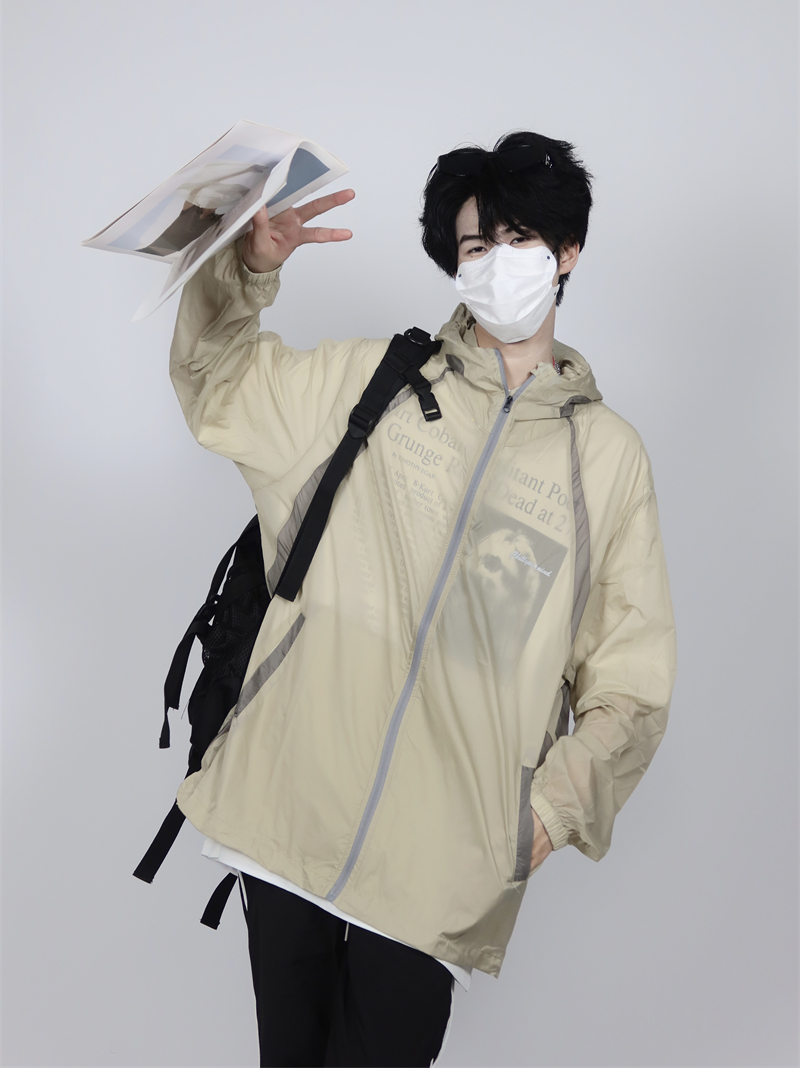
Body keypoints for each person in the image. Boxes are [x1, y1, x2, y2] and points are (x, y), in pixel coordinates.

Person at [169, 130, 677, 1067]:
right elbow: (218, 384)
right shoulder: (373, 383)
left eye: (521, 240)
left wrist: (535, 823)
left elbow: (631, 689)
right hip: (288, 809)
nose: (497, 263)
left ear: (567, 254)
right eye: (477, 244)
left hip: (436, 868)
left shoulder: (606, 461)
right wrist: (243, 269)